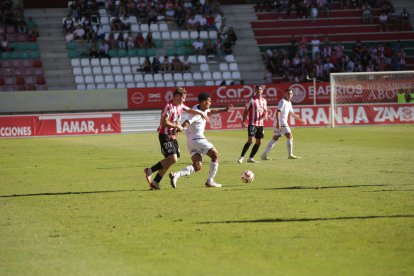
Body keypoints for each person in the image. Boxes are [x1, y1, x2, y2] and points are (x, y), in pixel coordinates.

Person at [144, 88, 207, 190]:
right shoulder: (168, 106)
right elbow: (163, 122)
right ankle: (149, 170)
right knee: (173, 158)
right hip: (164, 135)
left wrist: (200, 113)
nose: (184, 100)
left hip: (172, 135)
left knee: (170, 160)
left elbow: (189, 110)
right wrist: (177, 127)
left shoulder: (180, 105)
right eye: (183, 98)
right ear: (178, 97)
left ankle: (155, 182)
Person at [169, 93, 233, 188]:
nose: (210, 103)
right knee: (216, 156)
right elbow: (186, 122)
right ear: (203, 102)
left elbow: (210, 111)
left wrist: (224, 110)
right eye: (209, 101)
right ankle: (210, 181)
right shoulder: (196, 112)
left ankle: (176, 175)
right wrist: (176, 133)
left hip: (191, 142)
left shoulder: (201, 108)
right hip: (198, 139)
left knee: (197, 166)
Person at [261, 88, 305, 160]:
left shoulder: (289, 102)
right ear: (285, 94)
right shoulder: (282, 102)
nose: (290, 95)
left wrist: (300, 120)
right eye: (288, 93)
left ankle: (264, 155)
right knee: (290, 136)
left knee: (275, 138)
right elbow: (278, 111)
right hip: (281, 122)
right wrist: (278, 123)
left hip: (279, 123)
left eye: (291, 94)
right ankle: (290, 154)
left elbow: (292, 113)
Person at [237, 85, 268, 164]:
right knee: (250, 141)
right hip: (252, 123)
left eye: (260, 89)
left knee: (259, 142)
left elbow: (265, 111)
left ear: (262, 91)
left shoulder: (264, 100)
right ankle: (241, 157)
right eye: (257, 89)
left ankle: (250, 158)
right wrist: (243, 121)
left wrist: (265, 115)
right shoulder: (251, 99)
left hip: (260, 124)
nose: (259, 90)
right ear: (255, 91)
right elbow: (246, 110)